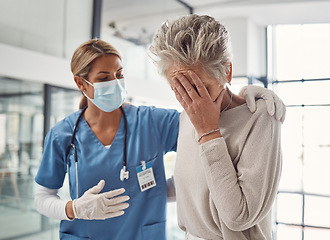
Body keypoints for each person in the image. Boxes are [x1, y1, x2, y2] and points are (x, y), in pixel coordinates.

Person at [34, 39, 284, 240]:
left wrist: (248, 97)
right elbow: (42, 197)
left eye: (119, 74)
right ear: (82, 83)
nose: (115, 82)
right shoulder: (62, 135)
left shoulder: (154, 122)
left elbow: (211, 122)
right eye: (104, 78)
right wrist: (74, 209)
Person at [150, 14, 283, 240]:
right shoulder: (185, 117)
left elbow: (239, 216)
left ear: (227, 72)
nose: (193, 101)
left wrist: (208, 132)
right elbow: (195, 187)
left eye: (200, 87)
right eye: (180, 89)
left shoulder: (261, 119)